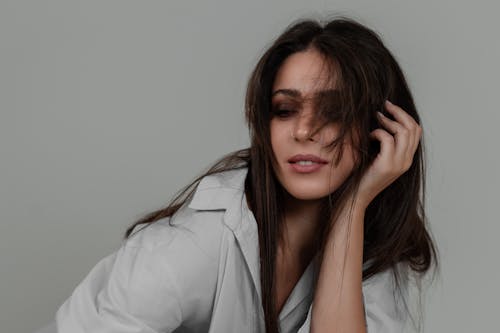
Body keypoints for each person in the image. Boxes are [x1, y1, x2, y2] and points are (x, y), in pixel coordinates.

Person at [39, 16, 438, 333]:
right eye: (284, 110)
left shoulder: (379, 257)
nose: (303, 131)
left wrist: (353, 208)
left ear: (380, 130)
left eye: (333, 111)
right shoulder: (197, 242)